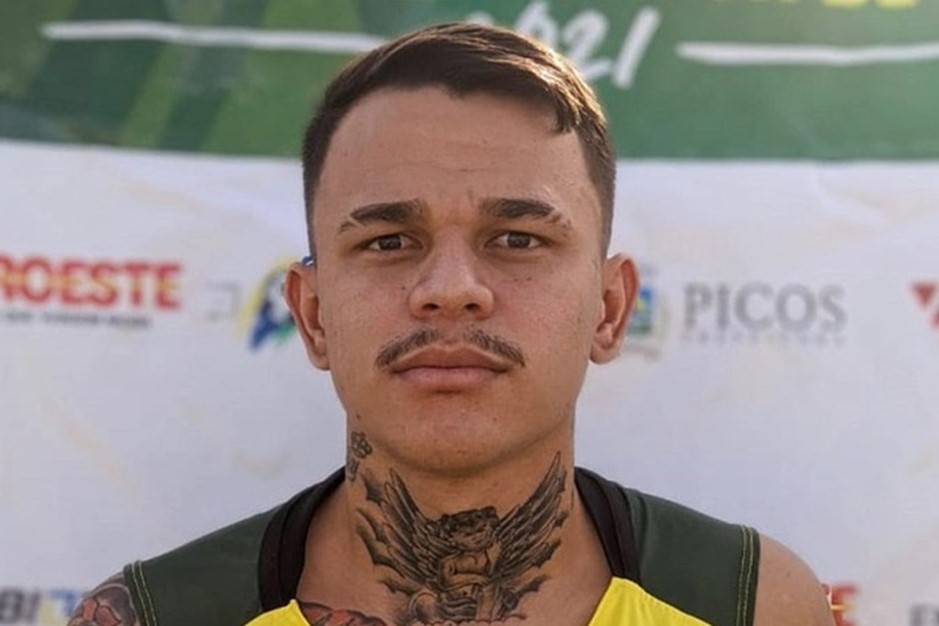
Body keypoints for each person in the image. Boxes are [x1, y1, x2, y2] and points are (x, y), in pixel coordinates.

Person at [69, 22, 834, 626]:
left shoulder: (751, 606)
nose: (450, 290)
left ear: (608, 309)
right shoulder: (153, 616)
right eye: (388, 242)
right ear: (312, 314)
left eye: (517, 239)